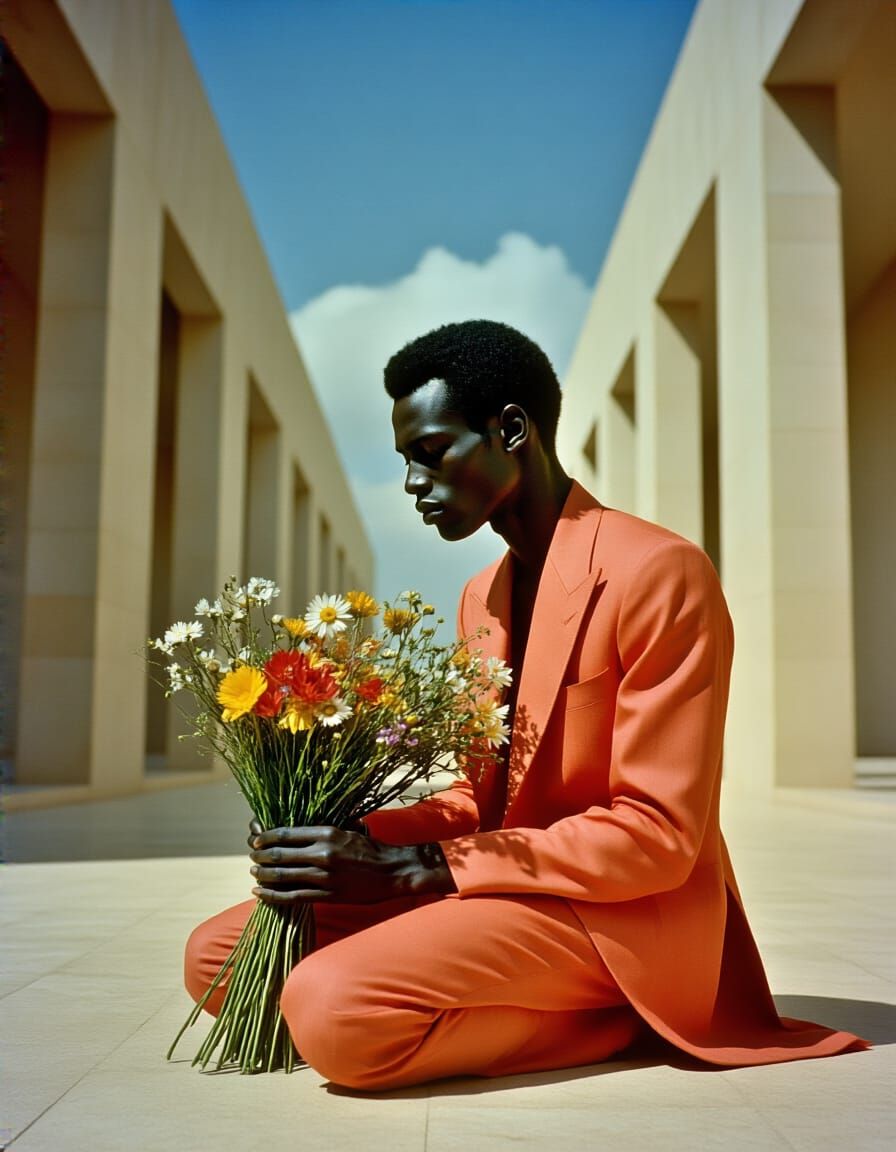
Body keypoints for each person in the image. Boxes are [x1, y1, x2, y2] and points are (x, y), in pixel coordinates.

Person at [185, 319, 864, 1090]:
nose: (412, 482)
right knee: (216, 956)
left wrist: (419, 871)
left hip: (617, 915)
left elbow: (658, 835)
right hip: (503, 893)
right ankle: (525, 1012)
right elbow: (479, 801)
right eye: (405, 460)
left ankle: (618, 1013)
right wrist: (338, 834)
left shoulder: (660, 573)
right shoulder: (483, 597)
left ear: (510, 429)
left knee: (331, 1005)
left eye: (431, 452)